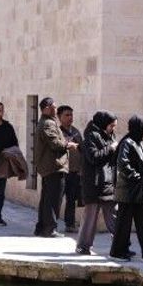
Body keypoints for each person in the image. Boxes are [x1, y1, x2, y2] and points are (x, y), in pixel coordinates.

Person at [109, 115, 143, 264]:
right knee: (123, 225)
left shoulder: (139, 143)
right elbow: (123, 164)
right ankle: (117, 252)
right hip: (128, 192)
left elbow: (139, 164)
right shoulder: (127, 143)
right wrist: (137, 176)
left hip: (140, 192)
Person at [33, 97, 78, 238]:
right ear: (47, 108)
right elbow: (54, 143)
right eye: (54, 106)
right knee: (53, 200)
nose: (56, 109)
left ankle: (42, 228)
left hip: (51, 166)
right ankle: (50, 228)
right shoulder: (48, 123)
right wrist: (68, 144)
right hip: (54, 166)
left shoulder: (48, 122)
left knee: (47, 199)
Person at [76, 111, 119, 255]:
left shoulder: (109, 136)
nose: (113, 129)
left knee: (114, 216)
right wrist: (111, 148)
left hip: (108, 183)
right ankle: (83, 246)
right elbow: (94, 157)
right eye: (111, 125)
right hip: (94, 183)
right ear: (103, 123)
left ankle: (121, 245)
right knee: (90, 218)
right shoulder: (91, 136)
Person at [58, 105, 84, 233]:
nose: (70, 118)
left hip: (74, 171)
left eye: (71, 115)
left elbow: (82, 149)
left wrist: (81, 169)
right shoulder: (57, 132)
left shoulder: (76, 132)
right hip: (61, 171)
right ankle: (51, 224)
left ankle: (70, 224)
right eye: (67, 115)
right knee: (57, 199)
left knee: (71, 199)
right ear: (59, 117)